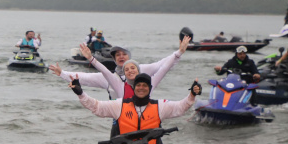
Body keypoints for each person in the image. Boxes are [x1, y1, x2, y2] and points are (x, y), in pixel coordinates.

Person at [69, 72, 202, 144]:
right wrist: (80, 93)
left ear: (149, 88)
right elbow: (96, 107)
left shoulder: (160, 106)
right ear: (134, 88)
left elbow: (181, 107)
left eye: (145, 85)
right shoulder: (120, 104)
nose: (141, 88)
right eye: (138, 85)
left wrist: (192, 95)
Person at [49, 34, 192, 100]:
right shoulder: (109, 78)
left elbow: (164, 65)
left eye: (124, 54)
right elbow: (84, 78)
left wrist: (179, 52)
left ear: (129, 57)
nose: (121, 57)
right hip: (119, 117)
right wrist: (62, 73)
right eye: (118, 55)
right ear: (114, 59)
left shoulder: (143, 70)